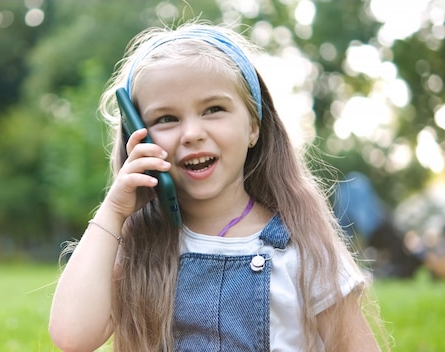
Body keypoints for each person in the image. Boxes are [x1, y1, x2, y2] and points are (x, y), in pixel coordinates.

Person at [49, 22, 387, 351]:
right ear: (138, 139)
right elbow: (72, 337)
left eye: (213, 109)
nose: (192, 133)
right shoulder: (139, 250)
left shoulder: (304, 250)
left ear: (254, 125)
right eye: (166, 119)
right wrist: (113, 212)